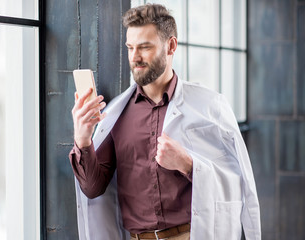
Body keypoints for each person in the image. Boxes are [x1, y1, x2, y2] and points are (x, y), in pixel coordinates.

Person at [69, 4, 261, 240]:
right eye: (130, 47)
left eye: (145, 47)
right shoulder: (116, 115)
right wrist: (83, 139)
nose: (135, 57)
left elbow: (238, 181)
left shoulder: (210, 106)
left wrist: (188, 164)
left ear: (171, 46)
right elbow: (92, 188)